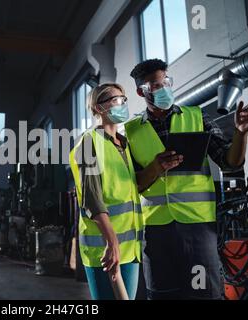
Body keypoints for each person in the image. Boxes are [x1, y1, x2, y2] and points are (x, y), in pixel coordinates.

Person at [125, 59, 248, 299]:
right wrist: (155, 168)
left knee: (204, 293)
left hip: (198, 228)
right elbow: (131, 186)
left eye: (167, 82)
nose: (164, 88)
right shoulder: (131, 131)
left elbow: (231, 162)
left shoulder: (197, 117)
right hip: (156, 232)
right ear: (140, 91)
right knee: (162, 295)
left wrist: (241, 133)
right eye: (156, 86)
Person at [69, 83, 143, 300]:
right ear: (98, 109)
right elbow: (93, 199)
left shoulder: (123, 144)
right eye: (115, 100)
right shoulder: (88, 143)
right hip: (105, 247)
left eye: (123, 99)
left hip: (130, 248)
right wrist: (112, 243)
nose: (122, 104)